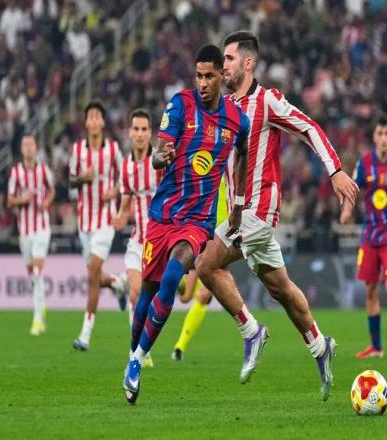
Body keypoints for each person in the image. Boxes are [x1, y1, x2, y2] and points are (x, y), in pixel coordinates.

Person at [195, 31, 359, 401]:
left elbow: (309, 127)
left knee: (207, 264)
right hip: (238, 213)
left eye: (229, 59)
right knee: (281, 290)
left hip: (259, 210)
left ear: (248, 63)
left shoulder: (268, 101)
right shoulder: (223, 107)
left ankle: (251, 331)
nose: (223, 66)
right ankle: (320, 346)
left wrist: (335, 170)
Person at [122, 44, 250, 404]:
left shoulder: (236, 119)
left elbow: (243, 153)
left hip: (197, 222)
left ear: (222, 75)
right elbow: (159, 151)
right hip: (163, 215)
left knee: (173, 275)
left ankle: (137, 361)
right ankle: (133, 355)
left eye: (209, 76)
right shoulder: (180, 105)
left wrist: (238, 203)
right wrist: (161, 156)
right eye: (198, 76)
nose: (203, 83)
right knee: (145, 300)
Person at [340, 115, 387, 358]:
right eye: (379, 133)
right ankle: (377, 346)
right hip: (369, 234)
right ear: (374, 137)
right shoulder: (364, 163)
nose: (383, 138)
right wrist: (347, 211)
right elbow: (352, 190)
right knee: (370, 290)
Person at [69, 101, 127, 351]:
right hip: (84, 221)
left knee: (92, 272)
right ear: (86, 122)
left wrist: (114, 190)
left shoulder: (113, 149)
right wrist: (82, 178)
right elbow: (71, 181)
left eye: (97, 117)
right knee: (95, 276)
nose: (93, 121)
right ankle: (118, 283)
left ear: (102, 122)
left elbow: (125, 176)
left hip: (105, 218)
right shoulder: (78, 149)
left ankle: (85, 333)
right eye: (90, 117)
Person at [112, 108, 164, 368]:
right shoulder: (126, 167)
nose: (140, 134)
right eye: (136, 129)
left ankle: (143, 344)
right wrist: (121, 216)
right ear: (130, 133)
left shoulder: (160, 160)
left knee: (154, 299)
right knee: (136, 294)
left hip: (160, 241)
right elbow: (126, 204)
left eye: (144, 129)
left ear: (150, 133)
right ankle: (138, 352)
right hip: (138, 240)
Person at [171, 178, 229, 362]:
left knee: (204, 295)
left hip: (222, 237)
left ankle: (179, 347)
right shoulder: (206, 168)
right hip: (201, 230)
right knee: (185, 297)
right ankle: (175, 278)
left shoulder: (234, 170)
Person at [7, 135, 55, 335]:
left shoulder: (43, 170)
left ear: (36, 148)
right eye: (25, 145)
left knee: (37, 271)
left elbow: (52, 191)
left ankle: (37, 319)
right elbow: (10, 200)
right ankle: (41, 302)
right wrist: (22, 199)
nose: (28, 148)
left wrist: (47, 202)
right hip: (24, 230)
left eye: (31, 145)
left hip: (42, 228)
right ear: (21, 149)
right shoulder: (16, 172)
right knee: (32, 275)